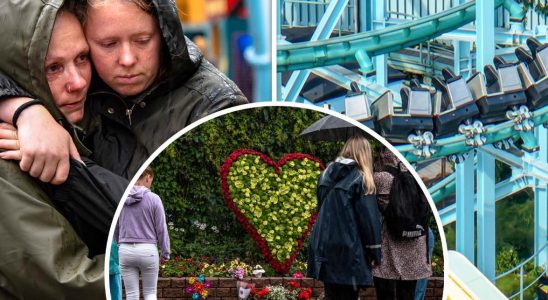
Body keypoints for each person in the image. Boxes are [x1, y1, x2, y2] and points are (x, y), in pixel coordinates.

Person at [0, 0, 248, 182]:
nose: (127, 59)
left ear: (163, 33)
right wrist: (23, 108)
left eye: (142, 40)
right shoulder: (83, 78)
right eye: (108, 44)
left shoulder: (215, 105)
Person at [0, 3, 112, 298]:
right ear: (20, 72)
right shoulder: (5, 156)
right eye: (53, 68)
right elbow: (70, 281)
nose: (78, 82)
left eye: (82, 58)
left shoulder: (96, 117)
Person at [307, 135, 382, 300]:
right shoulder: (361, 179)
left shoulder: (325, 175)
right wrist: (375, 253)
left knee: (332, 295)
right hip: (350, 251)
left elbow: (322, 210)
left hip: (325, 248)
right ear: (364, 154)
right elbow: (369, 221)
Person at [372, 147, 432, 300]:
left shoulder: (379, 178)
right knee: (408, 294)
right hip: (415, 246)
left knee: (385, 294)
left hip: (389, 246)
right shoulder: (416, 176)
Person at [115, 166, 170, 300]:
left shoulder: (120, 198)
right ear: (147, 177)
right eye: (151, 179)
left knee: (131, 295)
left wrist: (119, 244)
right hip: (148, 250)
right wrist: (165, 252)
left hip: (125, 249)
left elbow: (115, 227)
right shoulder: (154, 199)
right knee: (150, 293)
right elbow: (161, 228)